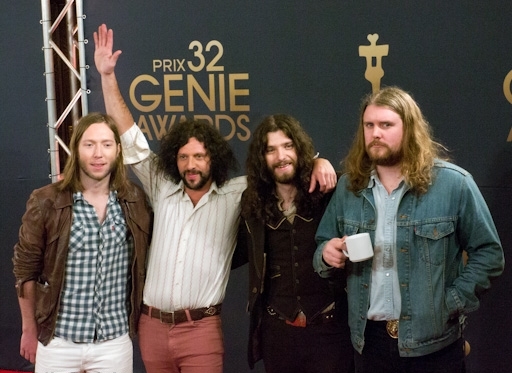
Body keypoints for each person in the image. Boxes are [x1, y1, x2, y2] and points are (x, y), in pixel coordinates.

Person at [93, 23, 337, 373]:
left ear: (215, 159)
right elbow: (129, 137)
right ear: (173, 159)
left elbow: (281, 163)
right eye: (183, 157)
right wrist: (107, 75)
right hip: (151, 327)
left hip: (201, 330)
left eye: (200, 157)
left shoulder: (237, 193)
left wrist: (317, 159)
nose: (191, 165)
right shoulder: (162, 186)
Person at [313, 86, 505, 373]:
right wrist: (327, 254)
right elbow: (322, 246)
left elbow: (489, 254)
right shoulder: (348, 188)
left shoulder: (454, 184)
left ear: (409, 129)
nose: (375, 133)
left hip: (435, 345)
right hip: (369, 344)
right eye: (369, 125)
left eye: (386, 125)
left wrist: (450, 303)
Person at [13, 113, 152, 373]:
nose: (98, 153)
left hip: (114, 342)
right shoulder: (46, 201)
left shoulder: (135, 200)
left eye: (106, 144)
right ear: (76, 148)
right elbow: (25, 271)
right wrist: (29, 329)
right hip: (58, 341)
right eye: (89, 144)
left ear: (118, 150)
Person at [234, 114, 354, 372]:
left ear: (300, 150)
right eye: (271, 149)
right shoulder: (252, 200)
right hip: (277, 334)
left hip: (330, 332)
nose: (281, 156)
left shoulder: (329, 191)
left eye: (288, 146)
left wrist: (320, 162)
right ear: (261, 158)